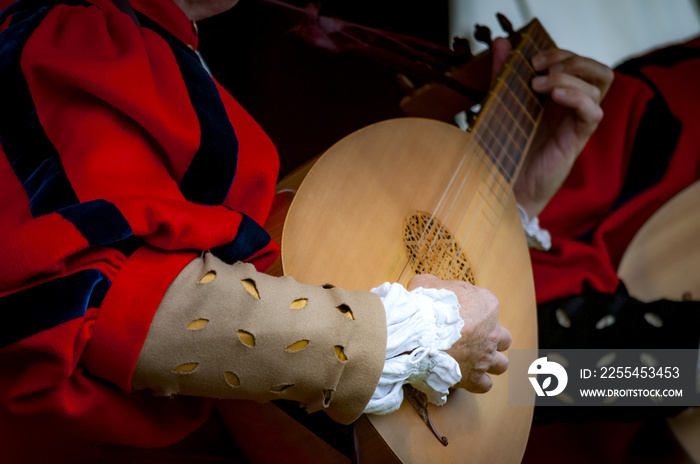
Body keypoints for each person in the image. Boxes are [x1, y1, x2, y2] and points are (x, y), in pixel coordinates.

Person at [0, 0, 611, 462]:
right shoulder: (73, 39)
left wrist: (510, 199)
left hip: (564, 368)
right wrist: (424, 334)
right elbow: (107, 305)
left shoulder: (157, 46)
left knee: (657, 372)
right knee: (647, 370)